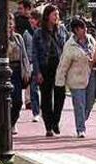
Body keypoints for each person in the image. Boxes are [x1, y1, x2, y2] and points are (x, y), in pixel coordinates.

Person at [0, 12, 31, 134]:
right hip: (0, 72)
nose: (9, 26)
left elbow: (24, 56)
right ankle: (0, 123)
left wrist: (26, 71)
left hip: (15, 72)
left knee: (17, 101)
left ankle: (12, 123)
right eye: (6, 23)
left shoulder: (18, 38)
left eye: (11, 23)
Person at [55, 17, 96, 138]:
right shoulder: (70, 45)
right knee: (79, 103)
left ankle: (82, 119)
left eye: (85, 27)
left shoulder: (91, 40)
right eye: (82, 28)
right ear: (75, 30)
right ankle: (80, 128)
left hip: (90, 75)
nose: (85, 30)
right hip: (76, 78)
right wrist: (60, 82)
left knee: (89, 103)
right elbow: (63, 65)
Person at [33, 4, 68, 136]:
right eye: (54, 14)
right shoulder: (38, 33)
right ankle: (48, 125)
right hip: (45, 67)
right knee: (46, 98)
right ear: (47, 16)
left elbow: (66, 47)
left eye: (58, 15)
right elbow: (34, 54)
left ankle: (55, 121)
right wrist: (37, 72)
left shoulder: (62, 30)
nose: (57, 17)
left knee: (60, 95)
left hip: (59, 67)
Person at [23, 8, 41, 122]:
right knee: (33, 88)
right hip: (31, 63)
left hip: (42, 63)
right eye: (30, 19)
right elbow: (24, 49)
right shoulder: (26, 33)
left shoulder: (42, 32)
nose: (31, 21)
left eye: (33, 19)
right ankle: (36, 112)